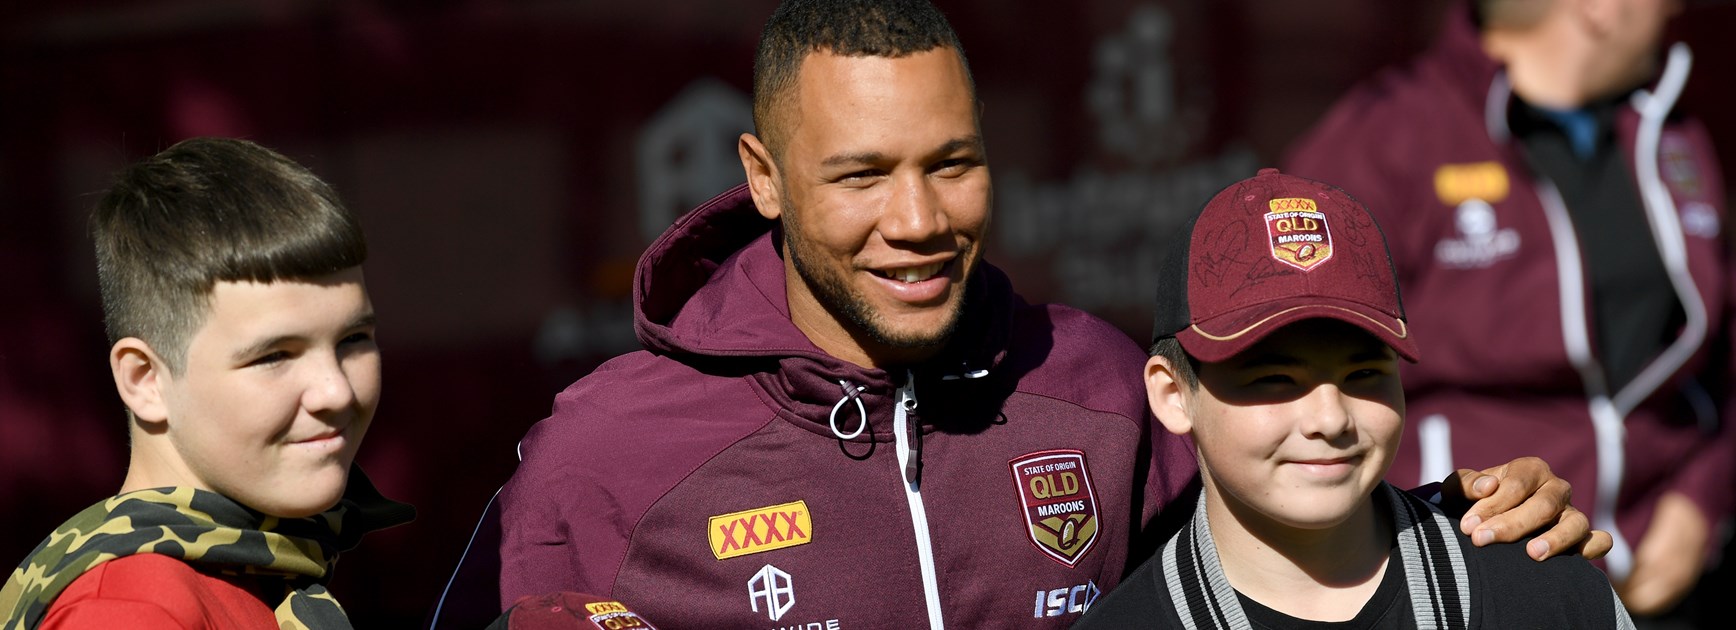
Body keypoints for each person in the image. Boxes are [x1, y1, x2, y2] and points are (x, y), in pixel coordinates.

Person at [462, 1, 1602, 627]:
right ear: (763, 176)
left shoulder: (1092, 382)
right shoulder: (603, 454)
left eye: (951, 163)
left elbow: (1281, 527)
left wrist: (1467, 518)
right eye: (861, 176)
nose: (918, 219)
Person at [1285, 0, 1733, 620]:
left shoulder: (1671, 132)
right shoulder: (1388, 138)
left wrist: (1702, 500)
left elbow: (1723, 361)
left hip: (1666, 585)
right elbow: (1296, 377)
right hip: (1475, 583)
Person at [1075, 168, 1635, 629]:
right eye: (1275, 379)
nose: (1330, 418)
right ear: (1174, 394)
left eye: (1364, 373)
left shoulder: (1543, 591)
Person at [0, 137, 414, 629]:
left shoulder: (261, 565)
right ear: (145, 380)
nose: (336, 391)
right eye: (274, 356)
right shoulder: (131, 610)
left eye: (353, 339)